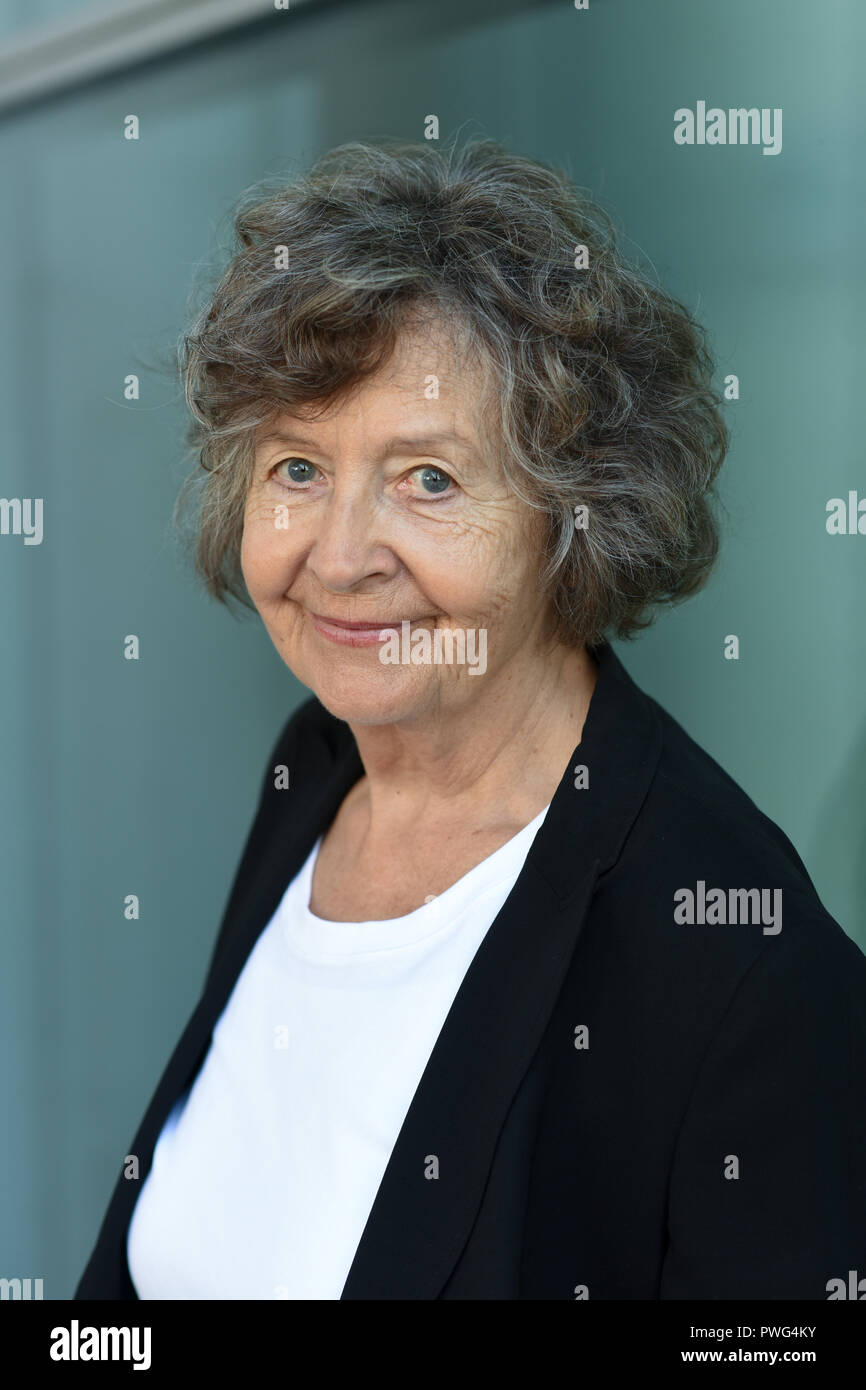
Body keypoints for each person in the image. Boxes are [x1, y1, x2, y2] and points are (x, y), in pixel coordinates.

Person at [76, 139, 866, 1300]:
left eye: (427, 479)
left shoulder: (740, 971)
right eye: (296, 468)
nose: (339, 559)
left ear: (576, 518)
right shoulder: (323, 765)